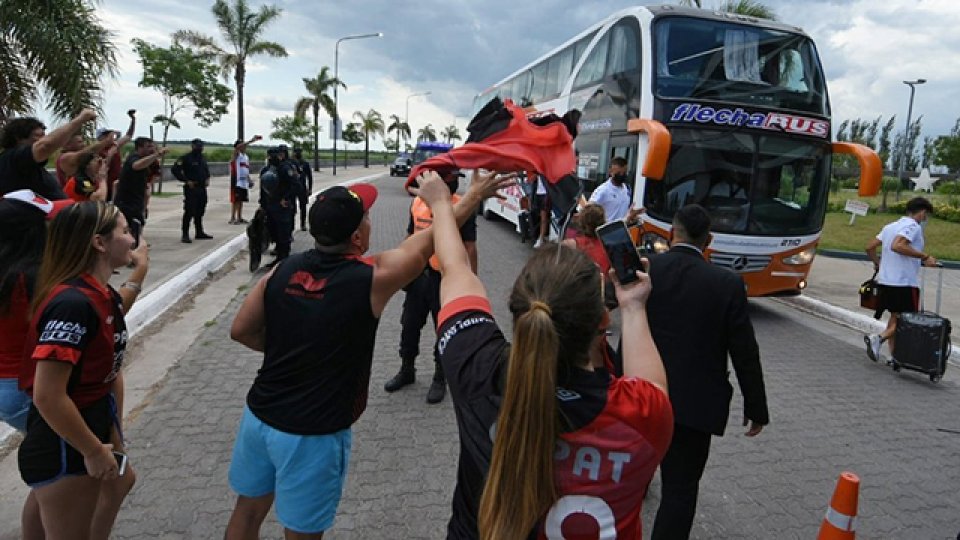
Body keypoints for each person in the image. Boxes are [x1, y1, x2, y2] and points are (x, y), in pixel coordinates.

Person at [224, 170, 512, 540]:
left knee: (246, 514)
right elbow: (430, 241)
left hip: (259, 417)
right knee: (301, 533)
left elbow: (240, 330)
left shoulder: (281, 271)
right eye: (368, 218)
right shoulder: (371, 278)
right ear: (358, 237)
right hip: (313, 433)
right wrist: (471, 196)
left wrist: (290, 348)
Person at [420, 172, 673, 539]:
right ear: (603, 318)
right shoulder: (643, 417)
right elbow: (652, 385)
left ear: (518, 309)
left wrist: (443, 205)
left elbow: (455, 267)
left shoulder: (476, 365)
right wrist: (633, 306)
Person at [18, 200, 148, 539]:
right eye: (124, 231)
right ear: (99, 243)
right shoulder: (72, 304)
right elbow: (48, 394)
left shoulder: (97, 293)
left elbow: (110, 367)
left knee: (120, 481)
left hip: (87, 423)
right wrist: (91, 449)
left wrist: (113, 435)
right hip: (65, 441)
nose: (133, 240)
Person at [646, 204, 769, 540]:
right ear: (709, 240)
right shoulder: (727, 283)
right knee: (680, 490)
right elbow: (744, 352)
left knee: (632, 469)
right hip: (693, 408)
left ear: (673, 233)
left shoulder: (647, 270)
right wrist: (756, 407)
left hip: (640, 395)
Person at [384, 173, 477, 404]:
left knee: (443, 329)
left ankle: (440, 377)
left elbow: (469, 247)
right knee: (409, 324)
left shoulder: (461, 207)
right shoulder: (416, 203)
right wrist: (401, 268)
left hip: (444, 279)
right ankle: (407, 369)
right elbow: (411, 234)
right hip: (418, 276)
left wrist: (470, 284)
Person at [864, 197, 938, 362]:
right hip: (903, 282)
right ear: (922, 212)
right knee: (907, 319)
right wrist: (925, 256)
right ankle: (879, 338)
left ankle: (894, 356)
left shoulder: (891, 226)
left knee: (896, 317)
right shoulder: (913, 226)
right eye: (926, 216)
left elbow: (869, 247)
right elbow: (898, 246)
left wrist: (878, 263)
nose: (926, 219)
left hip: (886, 281)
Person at [0, 109, 98, 200]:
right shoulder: (14, 157)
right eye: (38, 136)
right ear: (19, 138)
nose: (44, 139)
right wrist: (80, 119)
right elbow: (45, 146)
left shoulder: (29, 165)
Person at [114, 137, 167, 247]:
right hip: (127, 201)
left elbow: (154, 174)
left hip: (137, 200)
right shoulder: (134, 158)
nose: (151, 149)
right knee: (131, 226)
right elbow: (136, 165)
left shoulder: (146, 160)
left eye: (152, 146)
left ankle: (136, 246)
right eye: (148, 147)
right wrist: (156, 155)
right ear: (140, 147)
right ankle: (133, 250)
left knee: (138, 224)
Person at [172, 138, 212, 243]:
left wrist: (207, 178)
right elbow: (175, 169)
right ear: (192, 146)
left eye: (201, 146)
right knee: (189, 211)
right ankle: (185, 234)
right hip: (191, 188)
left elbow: (206, 170)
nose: (200, 148)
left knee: (200, 210)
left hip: (202, 188)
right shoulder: (186, 158)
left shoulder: (202, 158)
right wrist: (185, 180)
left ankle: (199, 232)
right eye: (198, 146)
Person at [587, 156, 642, 223]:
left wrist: (631, 216)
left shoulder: (626, 188)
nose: (622, 175)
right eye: (619, 173)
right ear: (611, 172)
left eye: (624, 173)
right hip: (607, 230)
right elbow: (588, 211)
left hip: (623, 228)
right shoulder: (603, 190)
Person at [230, 135, 261, 225]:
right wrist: (251, 140)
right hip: (237, 180)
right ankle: (233, 217)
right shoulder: (237, 155)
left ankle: (239, 217)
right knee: (235, 200)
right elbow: (237, 148)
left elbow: (246, 170)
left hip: (244, 181)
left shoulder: (245, 157)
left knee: (241, 200)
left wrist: (249, 180)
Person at [292, 147, 313, 231]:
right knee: (292, 208)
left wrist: (310, 188)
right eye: (296, 152)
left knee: (303, 207)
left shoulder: (305, 164)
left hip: (302, 187)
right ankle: (292, 226)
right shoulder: (291, 163)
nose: (297, 154)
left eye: (299, 152)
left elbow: (309, 177)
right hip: (293, 188)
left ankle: (303, 224)